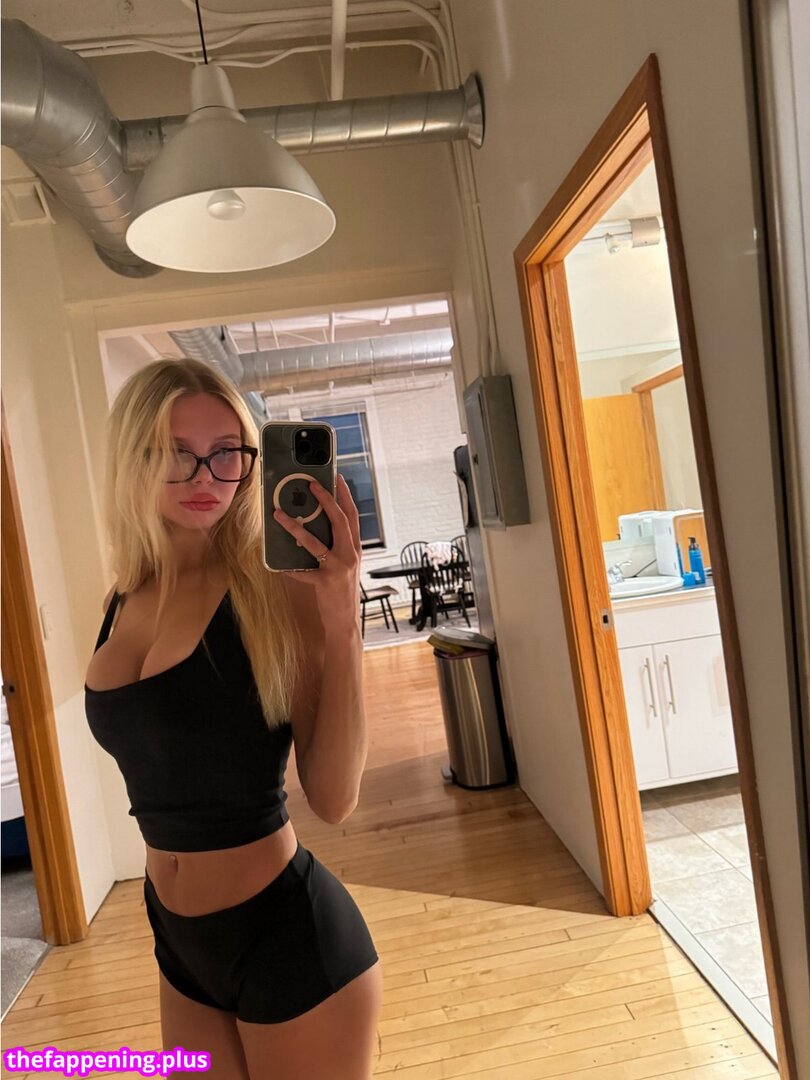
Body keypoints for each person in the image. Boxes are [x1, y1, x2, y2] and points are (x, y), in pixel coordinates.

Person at [84, 358, 382, 1080]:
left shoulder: (277, 592)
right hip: (177, 942)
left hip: (286, 935)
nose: (206, 476)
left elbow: (335, 799)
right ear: (133, 457)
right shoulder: (122, 599)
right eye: (176, 452)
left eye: (227, 453)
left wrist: (341, 622)